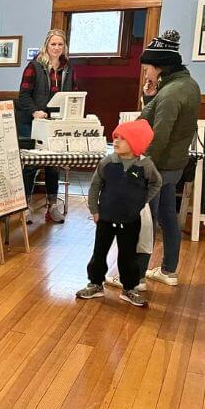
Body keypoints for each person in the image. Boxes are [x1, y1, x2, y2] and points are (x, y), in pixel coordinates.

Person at [134, 30, 200, 287]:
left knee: (145, 221)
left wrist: (142, 167)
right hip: (175, 165)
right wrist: (150, 94)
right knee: (168, 216)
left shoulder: (172, 93)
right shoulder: (186, 85)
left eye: (148, 68)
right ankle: (168, 270)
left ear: (160, 66)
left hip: (159, 166)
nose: (146, 74)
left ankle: (136, 278)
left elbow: (158, 135)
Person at [77, 119, 161, 307]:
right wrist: (94, 210)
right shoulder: (107, 162)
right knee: (99, 252)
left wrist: (142, 201)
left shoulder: (145, 166)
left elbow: (156, 183)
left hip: (130, 220)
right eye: (115, 137)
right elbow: (95, 186)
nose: (115, 142)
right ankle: (95, 283)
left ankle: (129, 288)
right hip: (106, 218)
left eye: (122, 139)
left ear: (136, 143)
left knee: (128, 255)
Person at [17, 29, 78, 223]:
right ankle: (25, 207)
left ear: (64, 47)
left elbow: (73, 95)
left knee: (54, 165)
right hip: (33, 121)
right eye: (53, 44)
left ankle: (52, 206)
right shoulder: (34, 66)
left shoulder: (68, 68)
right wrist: (35, 111)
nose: (57, 48)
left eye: (60, 44)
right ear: (46, 45)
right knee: (30, 165)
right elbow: (23, 96)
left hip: (56, 124)